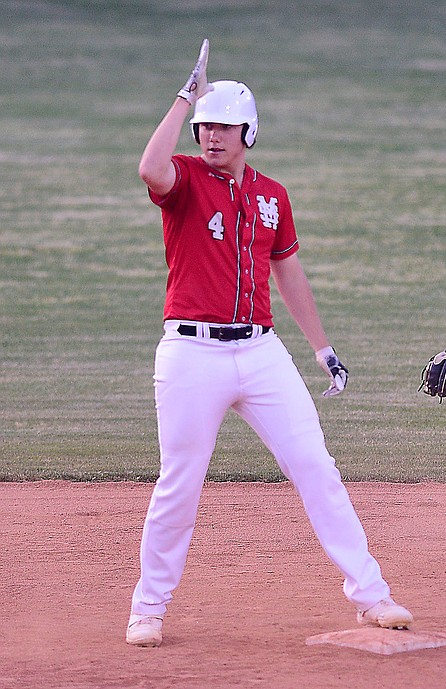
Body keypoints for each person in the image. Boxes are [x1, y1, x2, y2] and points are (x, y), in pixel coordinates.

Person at [126, 39, 412, 647]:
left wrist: (321, 348)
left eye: (225, 126)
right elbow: (149, 168)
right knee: (180, 480)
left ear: (249, 131)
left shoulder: (271, 194)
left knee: (315, 465)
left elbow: (289, 273)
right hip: (191, 353)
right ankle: (148, 608)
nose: (211, 136)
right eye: (205, 126)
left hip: (260, 353)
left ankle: (371, 593)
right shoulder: (185, 181)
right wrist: (184, 97)